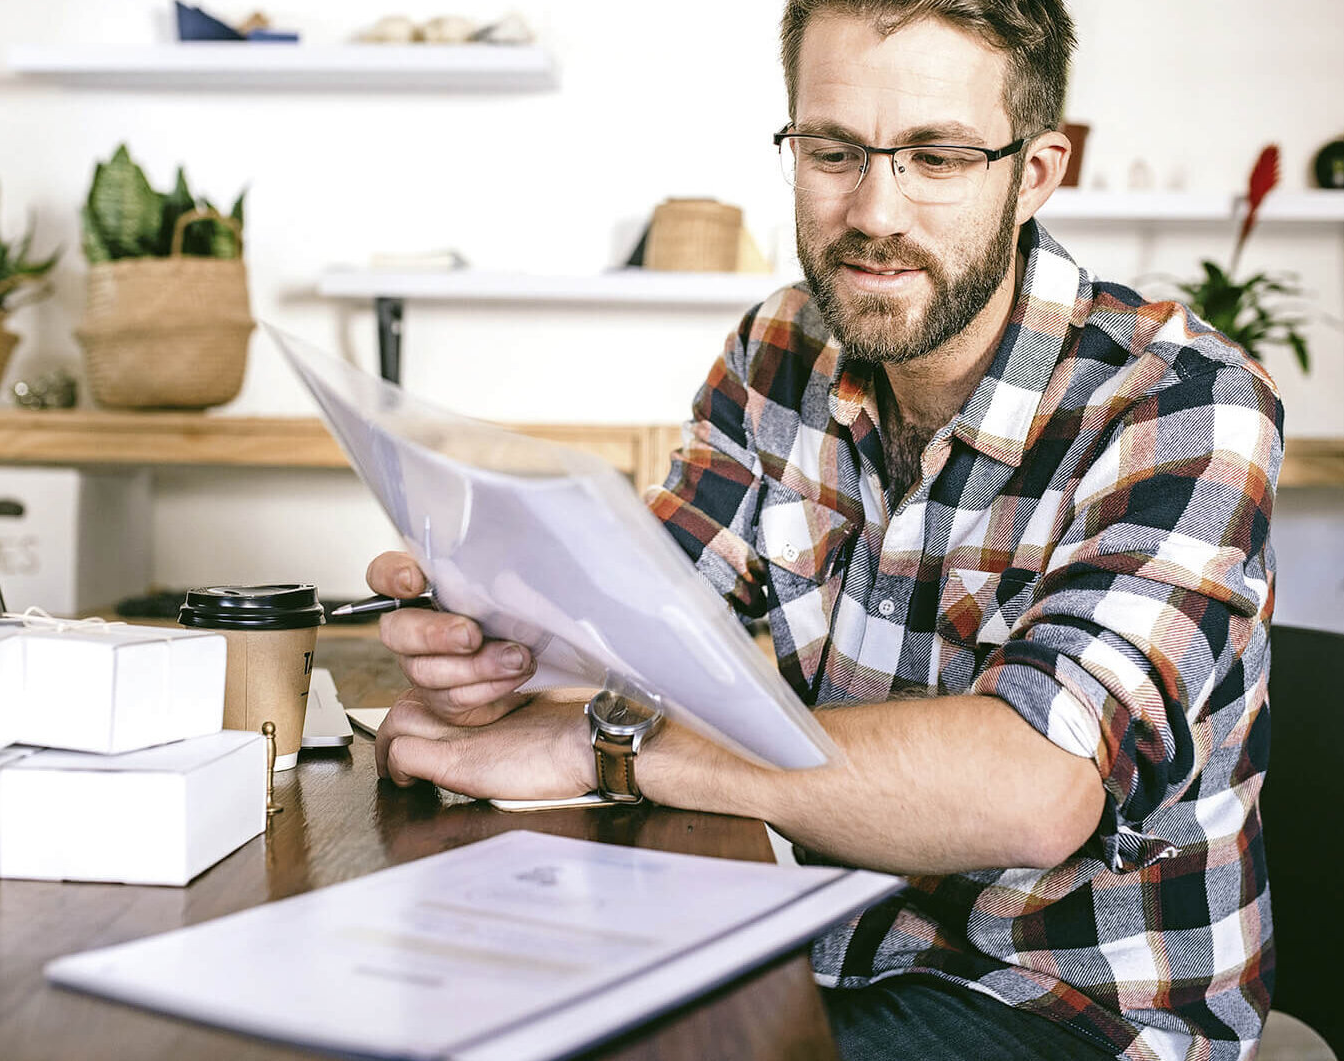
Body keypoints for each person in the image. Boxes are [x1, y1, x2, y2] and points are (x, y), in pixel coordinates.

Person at [365, 1, 1283, 1057]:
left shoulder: (1182, 401)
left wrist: (602, 745)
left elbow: (1033, 790)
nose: (875, 211)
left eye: (937, 157)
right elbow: (644, 630)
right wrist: (495, 648)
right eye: (834, 151)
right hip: (818, 940)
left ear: (1033, 174)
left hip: (1069, 1007)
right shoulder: (779, 349)